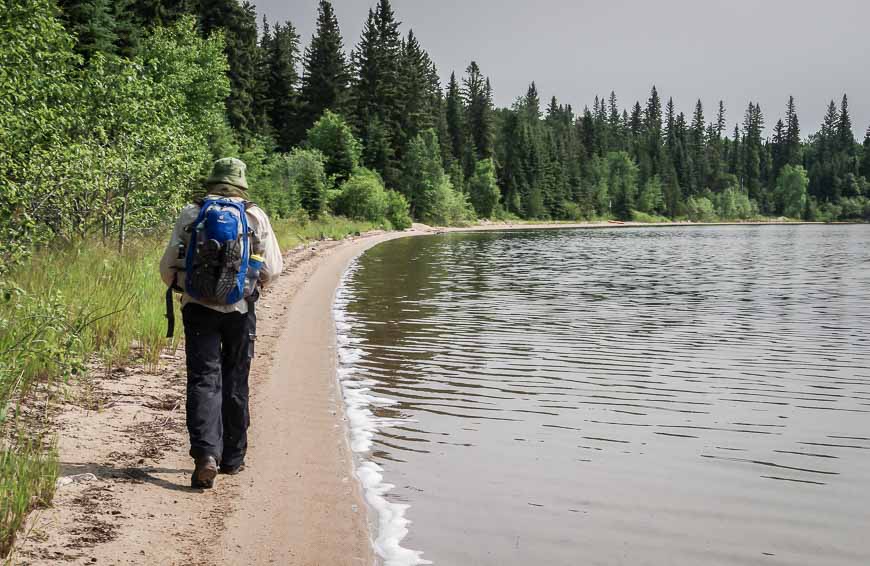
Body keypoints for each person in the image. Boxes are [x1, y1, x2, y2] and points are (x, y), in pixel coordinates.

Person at [160, 158, 283, 489]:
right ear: (241, 185)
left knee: (203, 379)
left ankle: (205, 457)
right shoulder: (255, 215)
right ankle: (233, 458)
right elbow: (273, 267)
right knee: (235, 378)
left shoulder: (192, 213)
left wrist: (187, 287)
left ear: (211, 183)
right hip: (240, 309)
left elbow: (167, 267)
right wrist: (247, 287)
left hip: (197, 308)